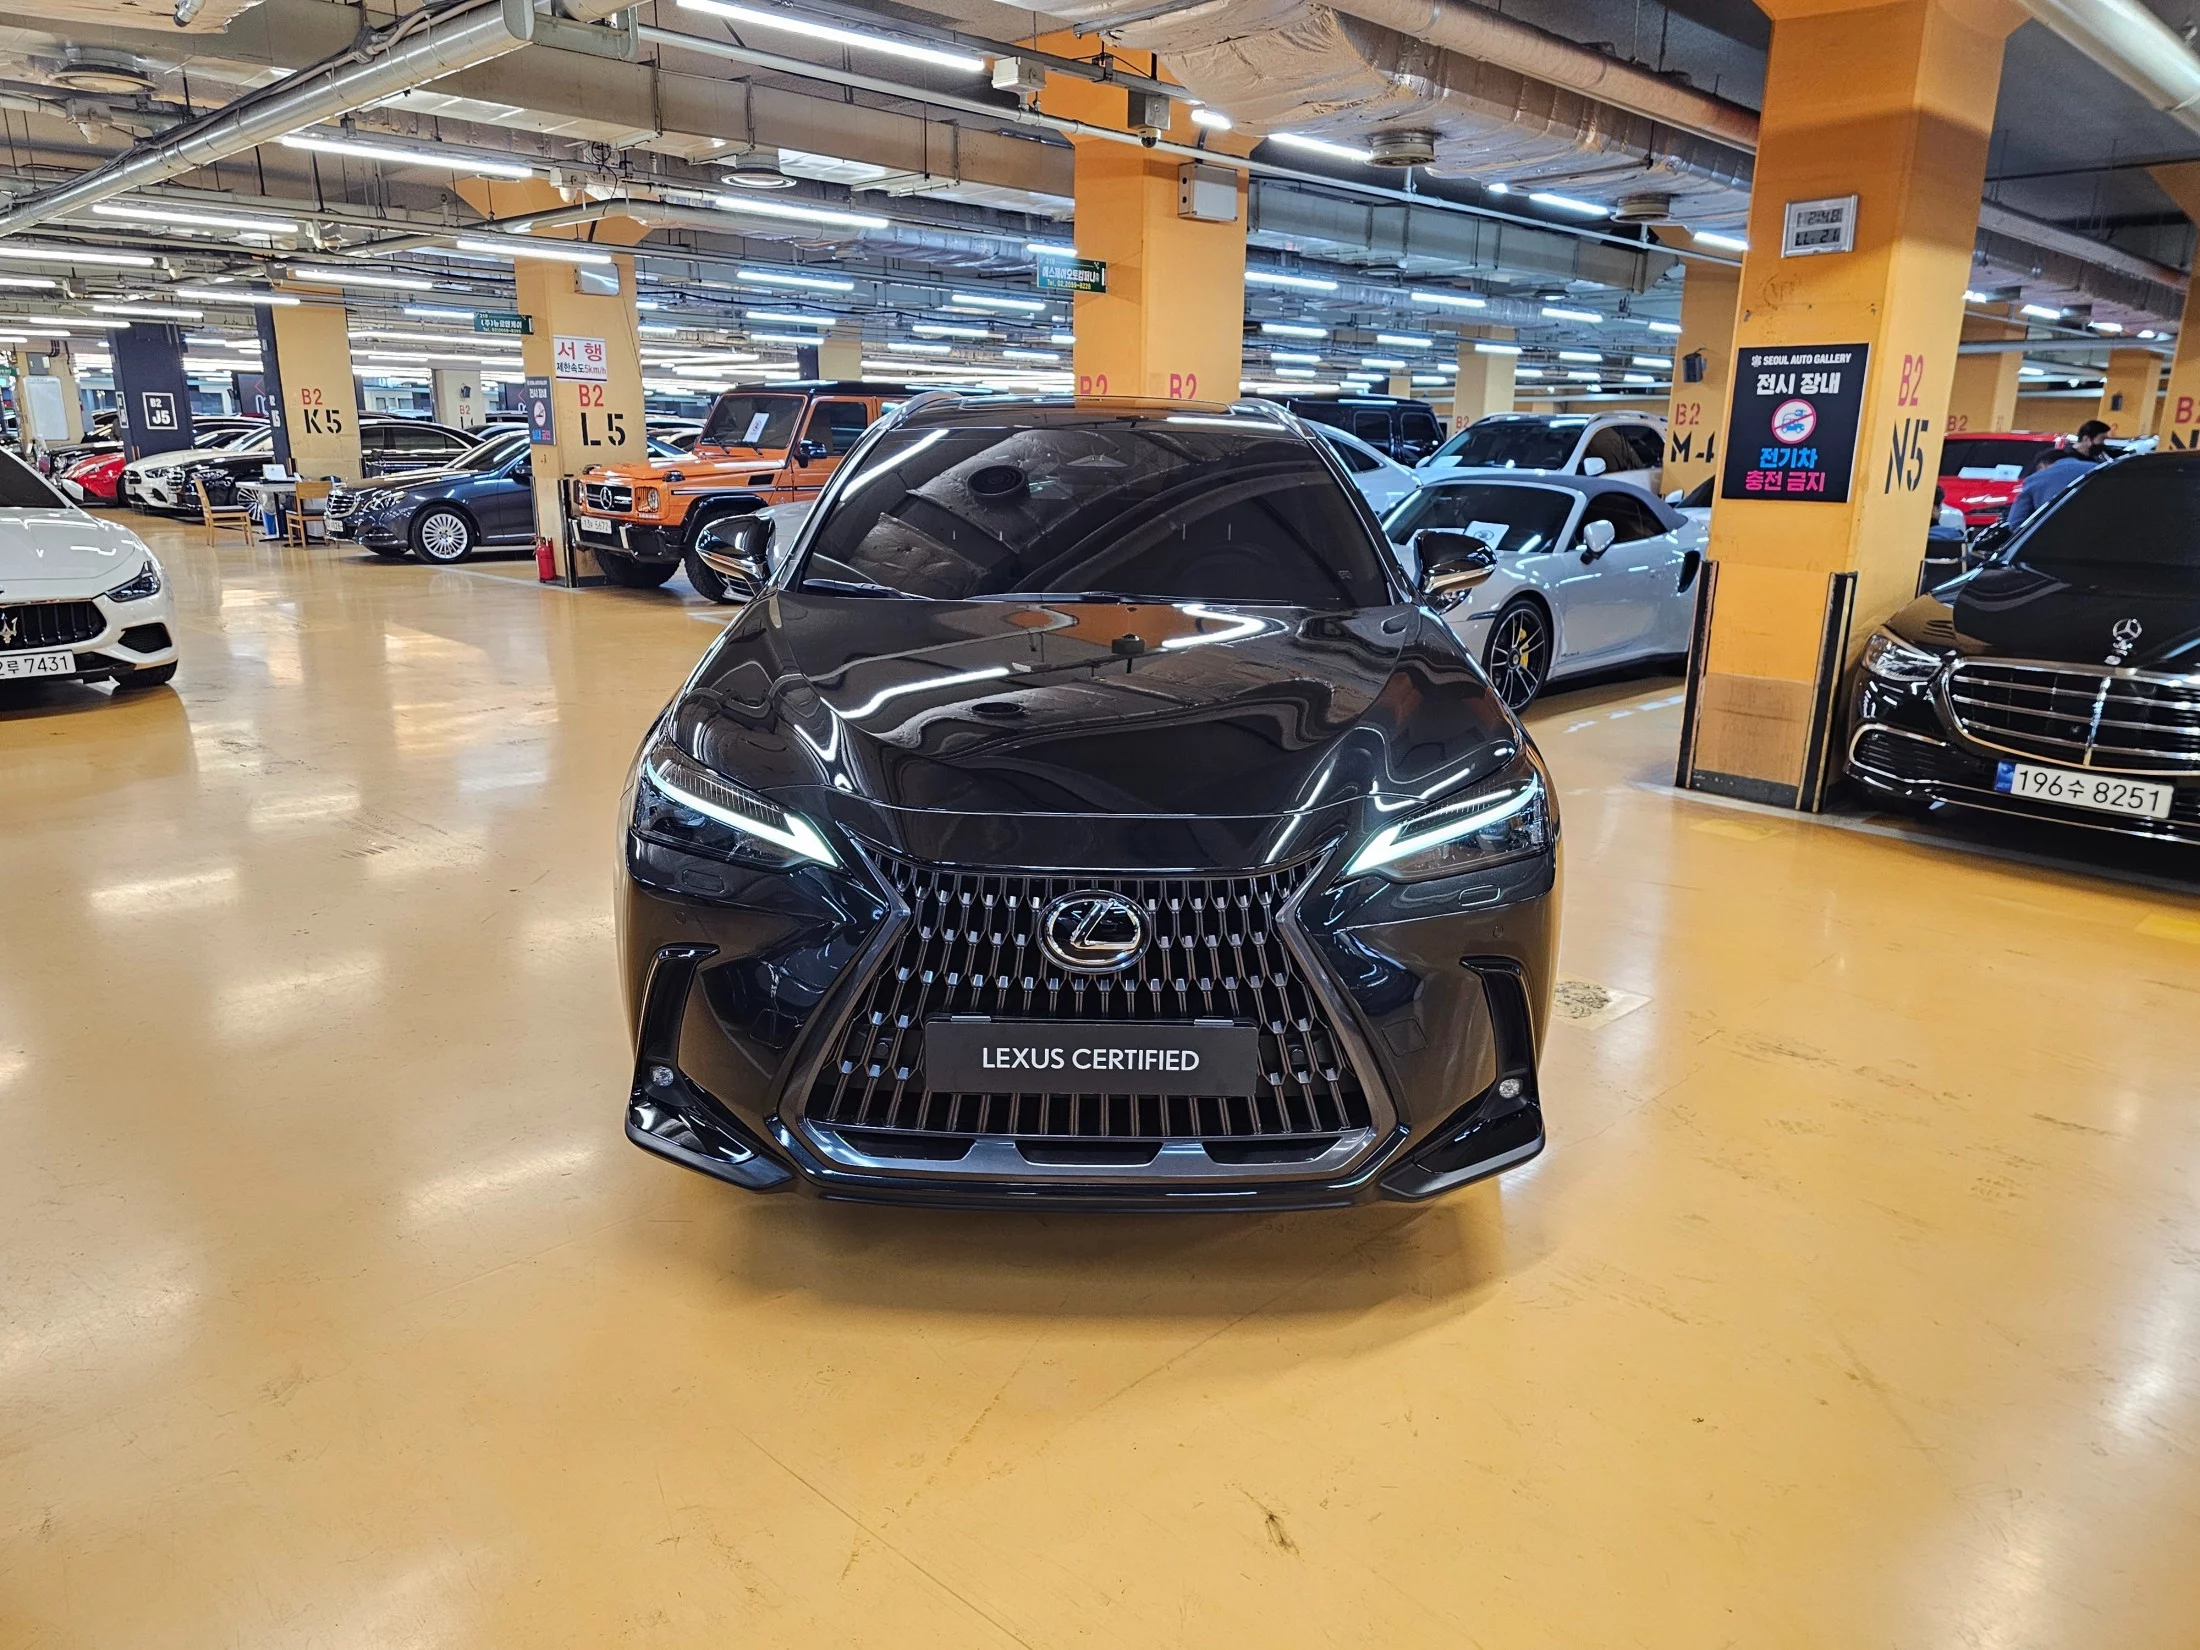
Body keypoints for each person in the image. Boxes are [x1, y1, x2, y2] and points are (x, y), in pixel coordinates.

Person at [2003, 419, 2110, 527]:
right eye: (2102, 439)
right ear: (2086, 439)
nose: (2103, 444)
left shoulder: (2036, 478)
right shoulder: (2099, 468)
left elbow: (2016, 522)